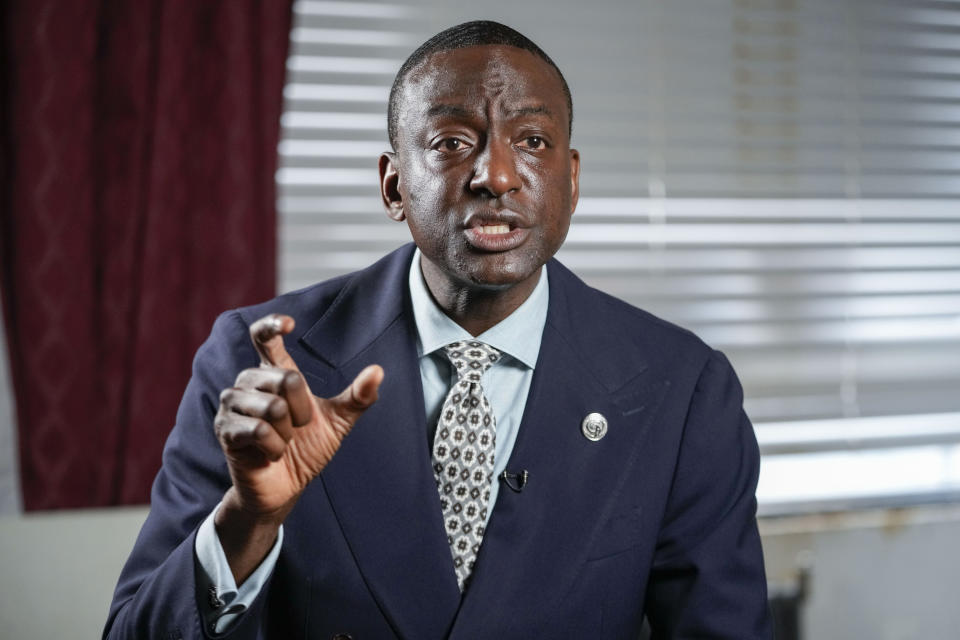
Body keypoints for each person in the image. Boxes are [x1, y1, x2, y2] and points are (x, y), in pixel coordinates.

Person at [105, 20, 772, 639]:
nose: (497, 175)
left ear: (570, 181)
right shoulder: (257, 364)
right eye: (452, 143)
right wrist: (248, 521)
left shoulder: (681, 390)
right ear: (394, 187)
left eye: (532, 142)